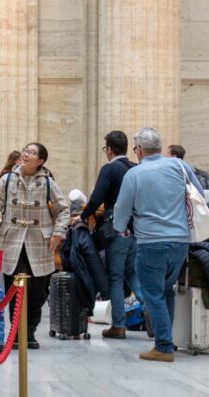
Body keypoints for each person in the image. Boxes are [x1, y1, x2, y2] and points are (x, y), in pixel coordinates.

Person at [114, 127, 204, 362]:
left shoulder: (134, 174)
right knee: (166, 291)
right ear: (160, 148)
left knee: (153, 293)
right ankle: (167, 340)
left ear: (139, 150)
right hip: (180, 241)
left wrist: (120, 229)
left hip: (151, 242)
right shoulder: (179, 166)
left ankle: (163, 347)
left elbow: (121, 211)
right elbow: (202, 194)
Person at [0, 142, 70, 349]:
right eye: (25, 150)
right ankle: (17, 334)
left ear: (40, 161)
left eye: (31, 153)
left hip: (39, 243)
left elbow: (64, 209)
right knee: (16, 289)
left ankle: (30, 330)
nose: (26, 154)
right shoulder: (6, 180)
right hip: (12, 241)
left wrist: (58, 233)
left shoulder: (48, 182)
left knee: (38, 293)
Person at [79, 130, 145, 340]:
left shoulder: (110, 169)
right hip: (135, 230)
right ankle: (150, 311)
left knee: (115, 278)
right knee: (133, 274)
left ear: (108, 149)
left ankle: (118, 326)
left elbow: (96, 198)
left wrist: (83, 216)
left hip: (116, 229)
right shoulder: (135, 168)